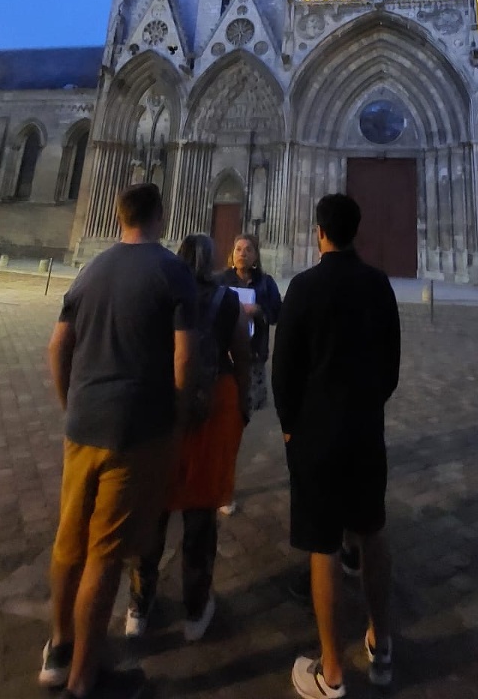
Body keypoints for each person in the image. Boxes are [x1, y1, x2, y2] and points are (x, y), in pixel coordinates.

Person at [39, 183, 197, 699]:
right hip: (133, 429)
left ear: (117, 215)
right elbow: (185, 357)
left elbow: (57, 346)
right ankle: (85, 680)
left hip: (83, 424)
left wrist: (71, 404)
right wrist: (177, 420)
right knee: (105, 554)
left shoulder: (90, 269)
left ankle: (59, 649)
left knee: (69, 540)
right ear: (161, 214)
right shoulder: (172, 269)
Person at [272, 193, 401, 699]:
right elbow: (390, 367)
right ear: (356, 232)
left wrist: (291, 428)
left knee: (323, 546)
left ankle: (332, 672)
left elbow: (284, 371)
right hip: (365, 431)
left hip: (317, 435)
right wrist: (366, 405)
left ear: (319, 232)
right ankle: (381, 643)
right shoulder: (379, 285)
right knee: (372, 531)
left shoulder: (304, 287)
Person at [126, 233, 252, 642]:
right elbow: (242, 354)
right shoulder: (225, 300)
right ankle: (196, 609)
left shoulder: (161, 295)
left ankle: (139, 605)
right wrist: (244, 400)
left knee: (153, 509)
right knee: (200, 512)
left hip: (162, 412)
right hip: (207, 412)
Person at [219, 232, 282, 412]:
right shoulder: (221, 280)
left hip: (255, 352)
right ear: (232, 253)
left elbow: (276, 314)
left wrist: (259, 310)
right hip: (225, 355)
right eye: (238, 249)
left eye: (248, 250)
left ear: (255, 256)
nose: (242, 254)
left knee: (251, 408)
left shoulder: (266, 283)